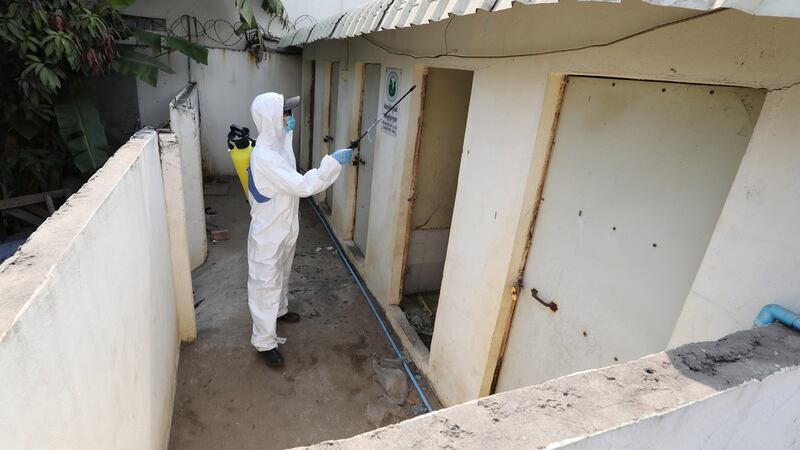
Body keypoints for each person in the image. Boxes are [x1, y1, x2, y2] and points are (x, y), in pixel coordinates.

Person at [246, 92, 353, 366]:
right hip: (268, 233)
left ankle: (279, 311)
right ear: (270, 119)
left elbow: (290, 175)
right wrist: (331, 164)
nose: (290, 118)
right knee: (265, 283)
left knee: (282, 272)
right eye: (285, 113)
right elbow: (303, 186)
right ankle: (264, 342)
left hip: (283, 226)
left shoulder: (279, 148)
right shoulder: (265, 157)